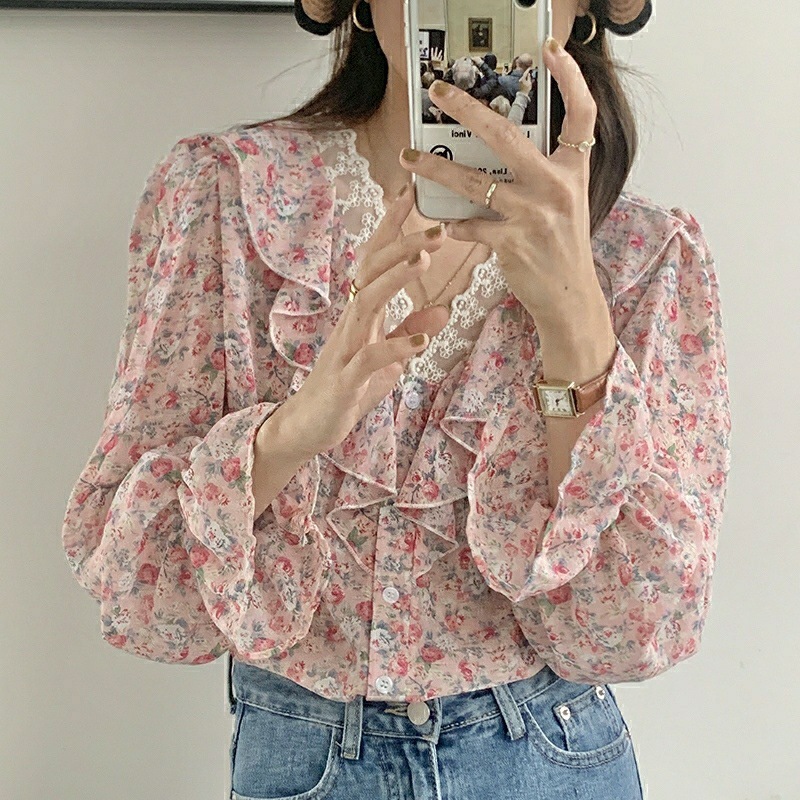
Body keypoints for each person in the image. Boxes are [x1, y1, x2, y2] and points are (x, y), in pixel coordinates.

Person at [61, 1, 730, 799]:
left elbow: (635, 630)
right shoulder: (226, 192)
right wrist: (291, 433)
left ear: (582, 8)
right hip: (303, 756)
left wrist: (576, 318)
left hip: (553, 757)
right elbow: (143, 592)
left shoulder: (646, 252)